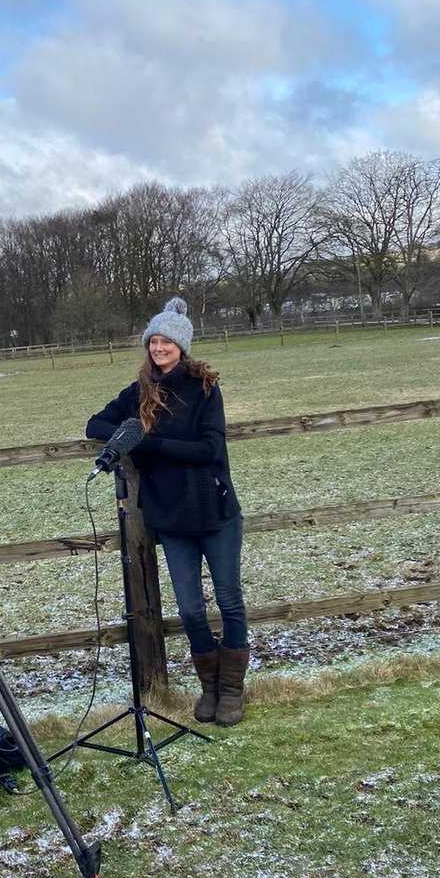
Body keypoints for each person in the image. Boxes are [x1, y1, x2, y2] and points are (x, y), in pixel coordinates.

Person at [86, 297, 250, 726]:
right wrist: (128, 433)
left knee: (229, 601)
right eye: (153, 341)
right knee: (191, 609)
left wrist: (149, 444)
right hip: (170, 514)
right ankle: (209, 688)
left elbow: (209, 449)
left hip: (214, 510)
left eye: (167, 342)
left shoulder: (204, 387)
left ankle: (231, 690)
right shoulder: (139, 391)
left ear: (182, 346)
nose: (159, 348)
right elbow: (95, 424)